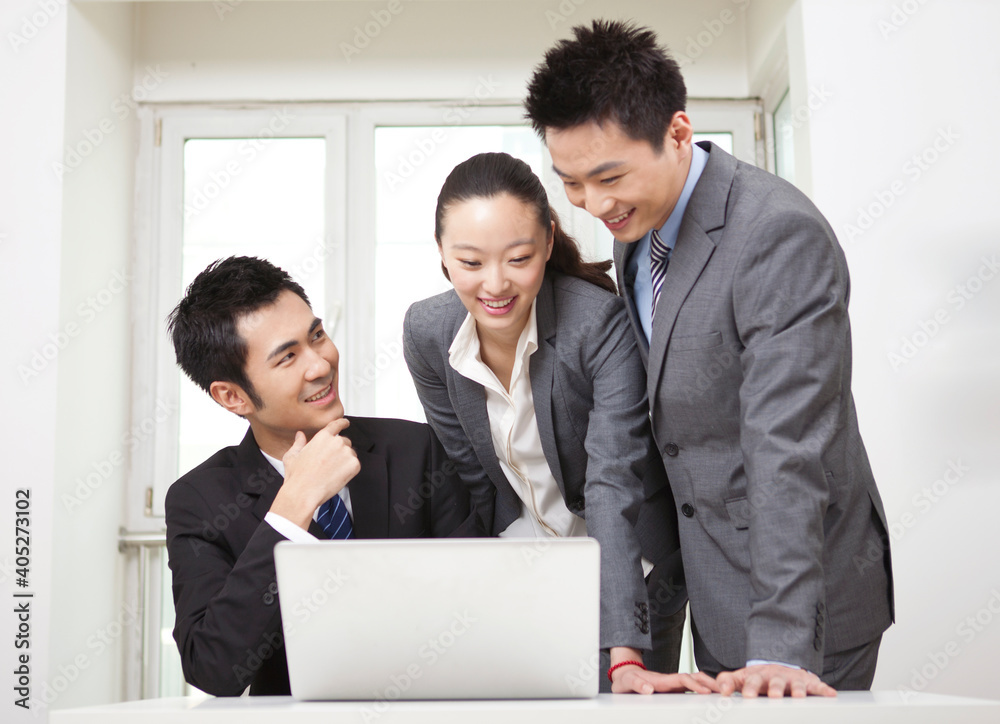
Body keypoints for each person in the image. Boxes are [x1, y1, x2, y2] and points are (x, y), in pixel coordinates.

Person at [523, 20, 894, 698]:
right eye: (571, 183)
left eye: (609, 177)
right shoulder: (636, 230)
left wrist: (782, 646)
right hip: (715, 582)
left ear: (679, 133)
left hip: (807, 606)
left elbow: (788, 445)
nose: (593, 204)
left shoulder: (776, 234)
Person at [403, 152, 716, 695]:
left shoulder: (597, 324)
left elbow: (612, 480)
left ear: (548, 242)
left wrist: (624, 653)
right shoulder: (427, 332)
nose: (495, 284)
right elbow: (471, 472)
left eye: (518, 258)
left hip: (630, 558)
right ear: (442, 256)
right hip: (525, 556)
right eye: (471, 263)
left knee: (623, 700)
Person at [164, 256, 483, 696]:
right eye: (288, 357)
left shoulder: (416, 451)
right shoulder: (199, 500)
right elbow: (216, 669)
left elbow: (477, 605)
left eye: (316, 336)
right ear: (233, 396)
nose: (320, 364)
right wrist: (292, 507)